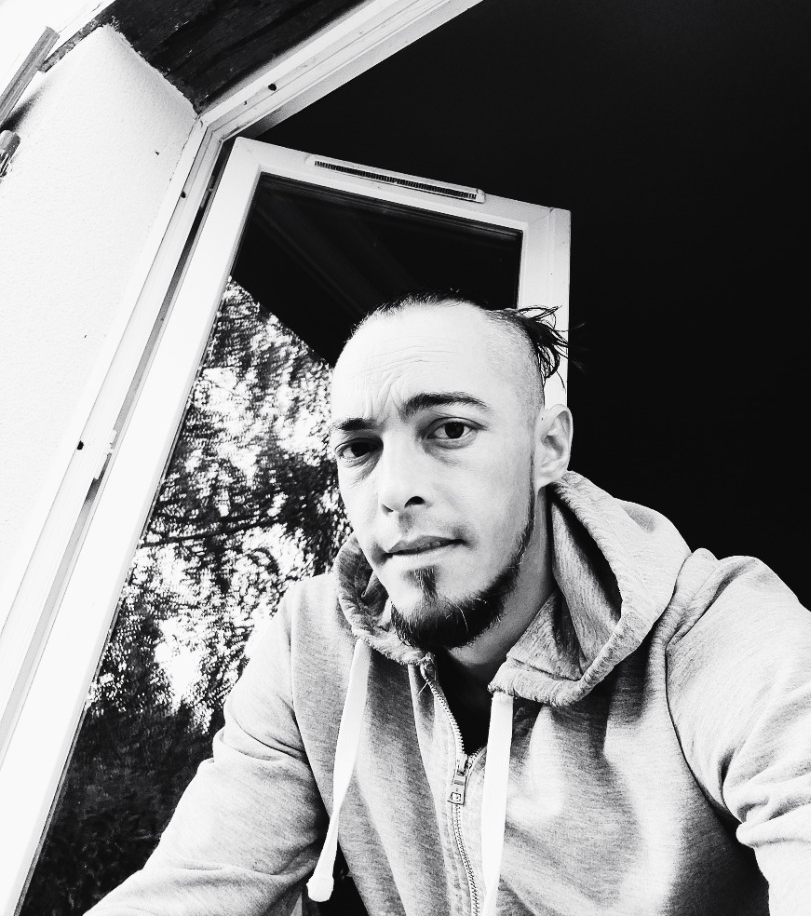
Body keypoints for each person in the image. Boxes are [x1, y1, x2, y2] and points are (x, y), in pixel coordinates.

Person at [88, 293, 811, 915]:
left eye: (450, 430)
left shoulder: (712, 630)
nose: (394, 489)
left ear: (548, 447)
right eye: (360, 448)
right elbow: (200, 882)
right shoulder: (311, 644)